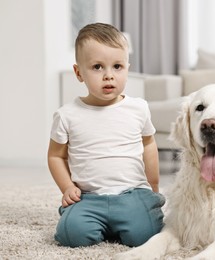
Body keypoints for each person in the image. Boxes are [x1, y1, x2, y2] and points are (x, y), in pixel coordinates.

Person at [47, 23, 165, 248]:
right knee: (71, 235)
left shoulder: (138, 109)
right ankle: (95, 221)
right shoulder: (67, 115)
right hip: (88, 197)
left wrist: (153, 185)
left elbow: (149, 145)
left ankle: (132, 218)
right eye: (98, 67)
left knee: (147, 235)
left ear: (127, 68)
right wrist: (67, 187)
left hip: (132, 192)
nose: (109, 76)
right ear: (79, 72)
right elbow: (55, 156)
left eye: (117, 66)